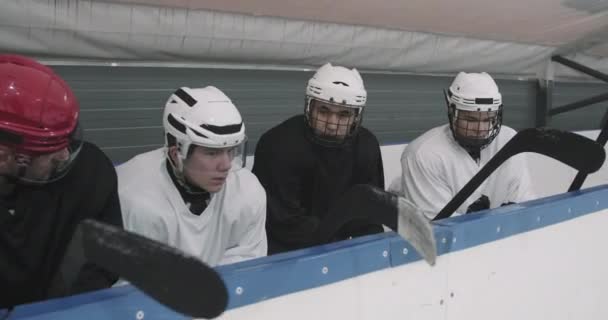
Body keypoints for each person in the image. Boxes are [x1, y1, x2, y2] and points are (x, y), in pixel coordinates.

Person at [0, 54, 122, 308]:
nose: (65, 155)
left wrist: (64, 314)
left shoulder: (91, 173)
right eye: (49, 150)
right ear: (4, 157)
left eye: (68, 139)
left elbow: (106, 256)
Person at [117, 86, 267, 266]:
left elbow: (247, 264)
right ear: (176, 154)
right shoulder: (135, 200)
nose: (226, 165)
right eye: (212, 153)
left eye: (231, 150)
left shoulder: (248, 192)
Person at [252, 63, 385, 255]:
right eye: (323, 111)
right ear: (309, 107)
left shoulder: (367, 146)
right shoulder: (278, 145)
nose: (332, 124)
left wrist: (367, 252)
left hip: (343, 248)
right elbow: (282, 221)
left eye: (344, 114)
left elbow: (369, 212)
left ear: (356, 116)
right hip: (286, 252)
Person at [394, 71, 534, 220]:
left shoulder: (509, 141)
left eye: (488, 119)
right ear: (452, 112)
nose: (480, 129)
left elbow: (524, 203)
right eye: (471, 120)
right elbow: (436, 228)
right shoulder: (423, 154)